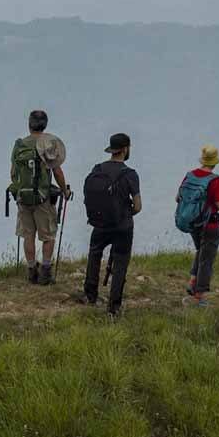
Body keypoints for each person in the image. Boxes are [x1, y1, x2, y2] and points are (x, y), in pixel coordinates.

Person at [77, 133, 141, 317]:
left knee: (95, 253)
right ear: (125, 149)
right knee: (121, 261)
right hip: (122, 226)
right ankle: (114, 306)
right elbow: (138, 206)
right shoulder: (130, 174)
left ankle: (90, 295)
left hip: (100, 223)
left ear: (112, 150)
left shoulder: (97, 169)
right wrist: (126, 213)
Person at [9, 110, 71, 285]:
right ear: (45, 125)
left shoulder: (19, 145)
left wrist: (21, 188)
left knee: (28, 236)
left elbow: (13, 173)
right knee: (48, 236)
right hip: (43, 198)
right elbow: (57, 171)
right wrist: (64, 191)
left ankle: (31, 271)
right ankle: (45, 272)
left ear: (29, 124)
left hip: (23, 198)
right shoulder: (48, 144)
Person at [180, 144, 219, 307]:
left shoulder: (190, 175)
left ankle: (193, 281)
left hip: (194, 223)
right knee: (207, 259)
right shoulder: (215, 180)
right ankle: (199, 296)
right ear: (215, 162)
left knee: (200, 250)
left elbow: (178, 198)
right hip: (210, 224)